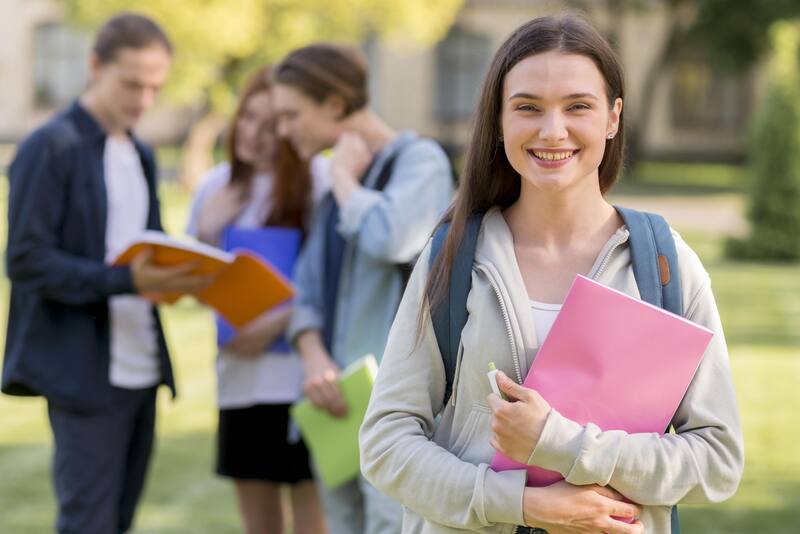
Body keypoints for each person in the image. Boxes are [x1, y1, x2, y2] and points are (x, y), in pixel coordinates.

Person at [359, 14, 744, 534]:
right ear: (499, 121)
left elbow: (717, 461)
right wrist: (519, 503)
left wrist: (561, 444)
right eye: (528, 108)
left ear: (613, 117)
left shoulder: (665, 266)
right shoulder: (453, 256)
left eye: (578, 106)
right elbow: (386, 443)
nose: (552, 130)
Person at [2, 13, 212, 534]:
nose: (144, 100)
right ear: (94, 66)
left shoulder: (140, 152)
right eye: (132, 84)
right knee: (87, 523)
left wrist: (182, 276)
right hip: (82, 370)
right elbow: (25, 259)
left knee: (118, 521)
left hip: (141, 367)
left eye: (155, 87)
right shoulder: (49, 146)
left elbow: (150, 247)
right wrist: (127, 282)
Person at [271, 44, 455, 534]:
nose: (284, 131)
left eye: (291, 115)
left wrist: (343, 181)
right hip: (333, 406)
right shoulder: (337, 187)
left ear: (334, 104)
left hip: (398, 411)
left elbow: (396, 238)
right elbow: (304, 291)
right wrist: (313, 357)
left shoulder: (420, 160)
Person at [186, 66, 328, 534]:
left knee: (315, 520)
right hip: (241, 380)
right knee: (258, 525)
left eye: (271, 125)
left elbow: (332, 282)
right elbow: (190, 282)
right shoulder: (214, 185)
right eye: (248, 118)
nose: (256, 134)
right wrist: (208, 228)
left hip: (303, 381)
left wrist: (277, 323)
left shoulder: (318, 182)